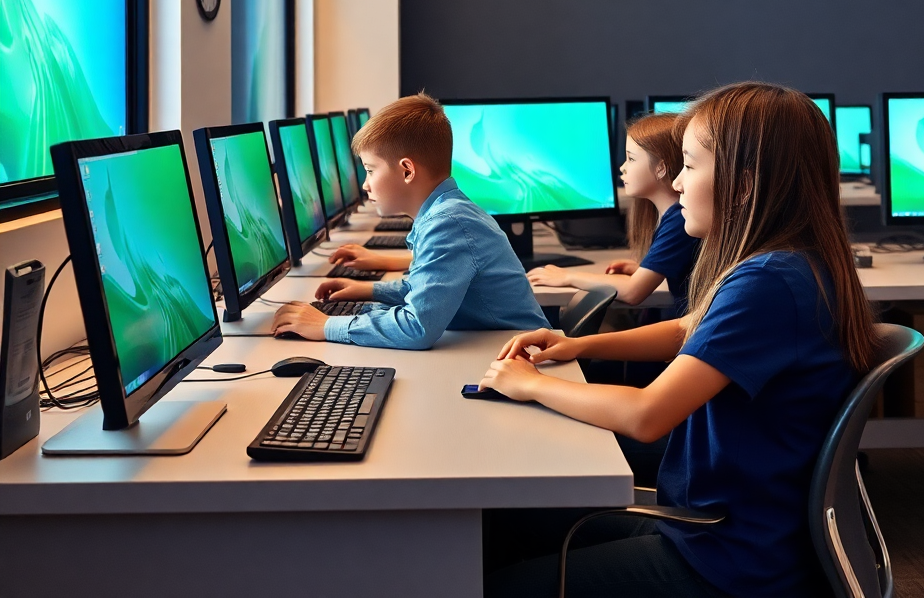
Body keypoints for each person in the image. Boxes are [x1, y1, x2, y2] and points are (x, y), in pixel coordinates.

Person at [479, 82, 877, 598]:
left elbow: (647, 415)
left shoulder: (769, 282)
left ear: (744, 184)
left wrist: (529, 384)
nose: (680, 185)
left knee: (484, 581)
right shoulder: (791, 262)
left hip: (725, 558)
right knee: (501, 524)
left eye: (689, 165)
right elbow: (686, 329)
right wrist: (578, 345)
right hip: (723, 531)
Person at [271, 93, 548, 348]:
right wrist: (369, 290)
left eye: (370, 170)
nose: (365, 185)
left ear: (406, 171)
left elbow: (417, 327)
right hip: (498, 346)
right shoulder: (445, 211)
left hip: (524, 354)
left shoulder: (447, 223)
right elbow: (426, 287)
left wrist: (326, 325)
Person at [527, 112, 698, 310]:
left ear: (661, 168)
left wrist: (566, 276)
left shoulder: (679, 220)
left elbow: (633, 292)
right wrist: (648, 270)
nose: (622, 168)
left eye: (631, 159)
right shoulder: (673, 215)